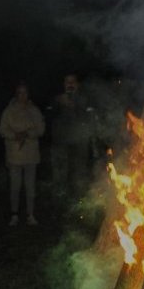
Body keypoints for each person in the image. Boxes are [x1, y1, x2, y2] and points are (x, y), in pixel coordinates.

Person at [46, 73, 98, 205]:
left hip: (79, 145)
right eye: (67, 82)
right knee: (60, 176)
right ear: (63, 85)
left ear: (77, 84)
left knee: (79, 174)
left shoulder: (85, 100)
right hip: (60, 145)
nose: (70, 84)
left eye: (72, 82)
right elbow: (47, 118)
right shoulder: (56, 100)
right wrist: (58, 104)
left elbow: (90, 121)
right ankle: (59, 203)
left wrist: (75, 107)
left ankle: (79, 203)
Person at [0, 82, 45, 226]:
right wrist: (14, 135)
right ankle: (14, 214)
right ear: (16, 94)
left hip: (31, 155)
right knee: (15, 186)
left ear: (28, 94)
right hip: (14, 155)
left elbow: (41, 129)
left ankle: (30, 214)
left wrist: (28, 134)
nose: (22, 95)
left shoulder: (35, 110)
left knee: (30, 186)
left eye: (25, 92)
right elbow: (2, 129)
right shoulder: (9, 111)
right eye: (20, 92)